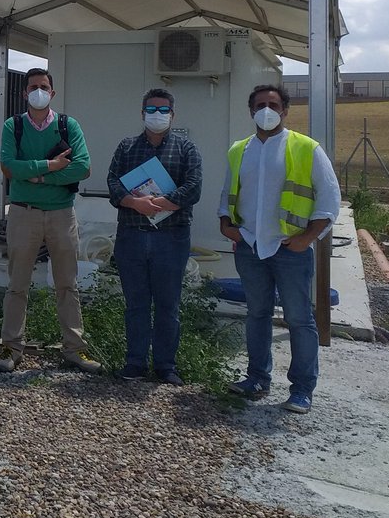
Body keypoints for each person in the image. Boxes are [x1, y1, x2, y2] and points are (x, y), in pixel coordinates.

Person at [218, 84, 340, 414]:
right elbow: (228, 193)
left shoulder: (306, 148)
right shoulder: (239, 150)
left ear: (285, 110)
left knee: (299, 319)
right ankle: (257, 378)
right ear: (251, 111)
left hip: (291, 249)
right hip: (251, 247)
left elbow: (329, 199)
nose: (266, 110)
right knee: (257, 314)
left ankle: (302, 389)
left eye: (273, 104)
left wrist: (307, 238)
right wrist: (226, 226)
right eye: (260, 105)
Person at [0, 67, 102, 374]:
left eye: (43, 87)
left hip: (61, 214)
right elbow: (9, 167)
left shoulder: (68, 125)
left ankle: (75, 349)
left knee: (67, 284)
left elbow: (83, 167)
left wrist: (40, 176)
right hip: (23, 213)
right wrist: (51, 165)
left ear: (52, 93)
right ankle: (11, 346)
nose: (38, 92)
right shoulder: (13, 126)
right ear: (24, 93)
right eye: (33, 87)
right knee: (17, 284)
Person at [105, 89, 203, 385]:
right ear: (142, 113)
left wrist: (159, 203)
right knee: (135, 303)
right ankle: (135, 363)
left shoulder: (186, 148)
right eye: (151, 109)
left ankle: (165, 366)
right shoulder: (127, 147)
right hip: (132, 235)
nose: (157, 115)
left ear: (172, 115)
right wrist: (135, 203)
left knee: (167, 305)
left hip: (171, 238)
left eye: (163, 110)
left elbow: (193, 187)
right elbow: (112, 183)